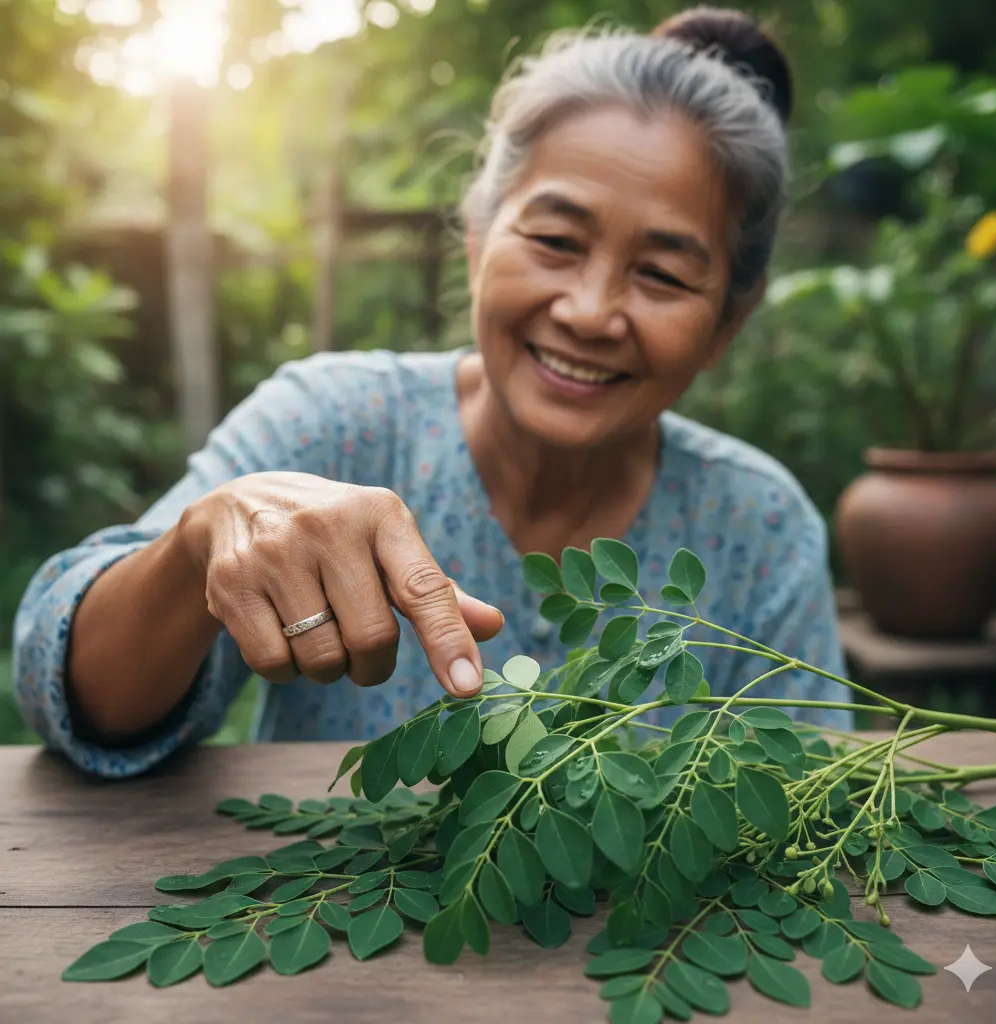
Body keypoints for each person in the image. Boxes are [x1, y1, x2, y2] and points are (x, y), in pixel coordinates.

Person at [13, 6, 855, 779]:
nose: (591, 311)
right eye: (557, 239)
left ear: (728, 322)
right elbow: (66, 695)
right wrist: (197, 547)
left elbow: (812, 807)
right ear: (479, 236)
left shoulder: (759, 526)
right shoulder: (334, 423)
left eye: (664, 273)